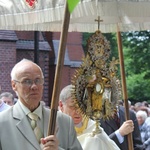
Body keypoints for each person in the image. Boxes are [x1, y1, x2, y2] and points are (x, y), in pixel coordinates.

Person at [0, 59, 82, 150]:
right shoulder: (2, 122)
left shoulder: (64, 121)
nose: (34, 86)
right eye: (27, 81)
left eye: (38, 80)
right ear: (14, 85)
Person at [58, 84, 120, 150]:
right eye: (73, 107)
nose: (78, 111)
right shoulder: (54, 125)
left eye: (82, 107)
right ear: (61, 105)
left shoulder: (94, 128)